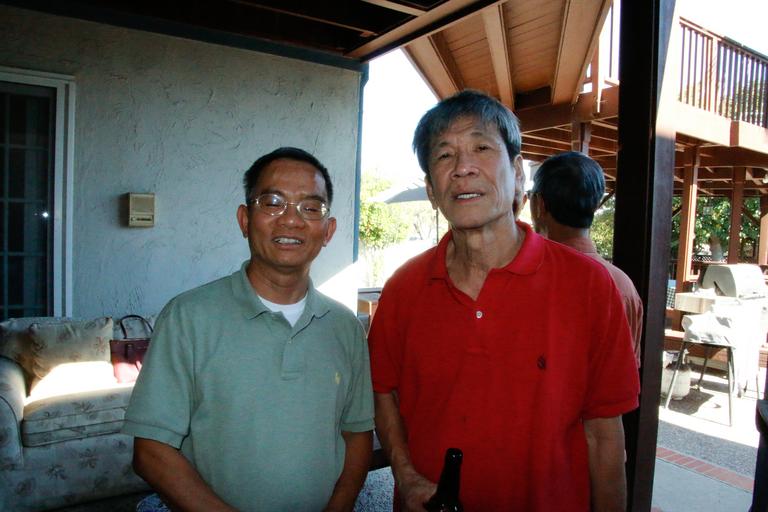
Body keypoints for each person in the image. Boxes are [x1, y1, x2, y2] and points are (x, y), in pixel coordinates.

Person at [368, 90, 640, 511]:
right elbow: (382, 390)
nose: (463, 167)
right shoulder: (404, 288)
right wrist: (405, 475)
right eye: (444, 155)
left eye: (481, 147)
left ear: (517, 173)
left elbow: (605, 437)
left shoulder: (589, 285)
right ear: (431, 189)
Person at [123, 147, 374, 512]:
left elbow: (357, 432)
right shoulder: (187, 317)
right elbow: (150, 451)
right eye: (273, 203)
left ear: (328, 230)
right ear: (244, 219)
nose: (292, 220)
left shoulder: (344, 327)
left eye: (310, 207)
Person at [528, 151, 644, 367]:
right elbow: (627, 373)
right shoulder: (622, 285)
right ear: (595, 205)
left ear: (539, 204)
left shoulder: (528, 280)